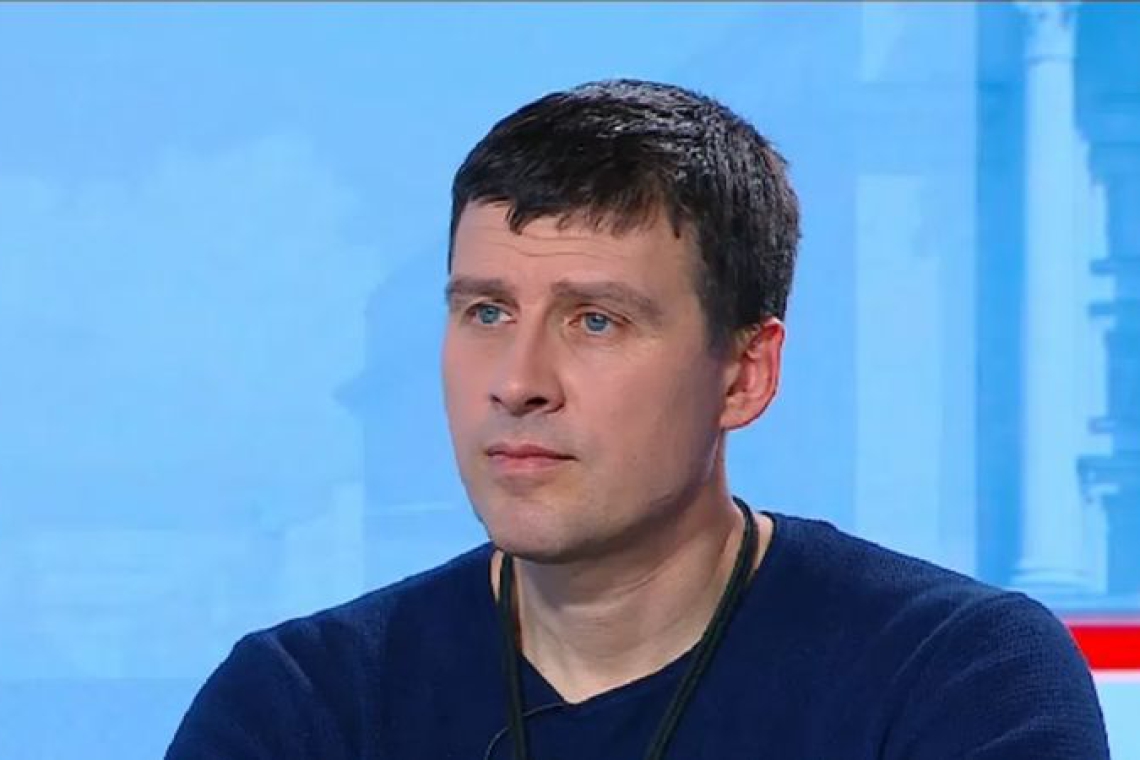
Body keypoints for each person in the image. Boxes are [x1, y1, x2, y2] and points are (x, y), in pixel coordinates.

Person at [166, 79, 1109, 760]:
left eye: (596, 321)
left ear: (745, 373)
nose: (518, 383)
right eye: (486, 312)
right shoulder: (303, 707)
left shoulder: (958, 680)